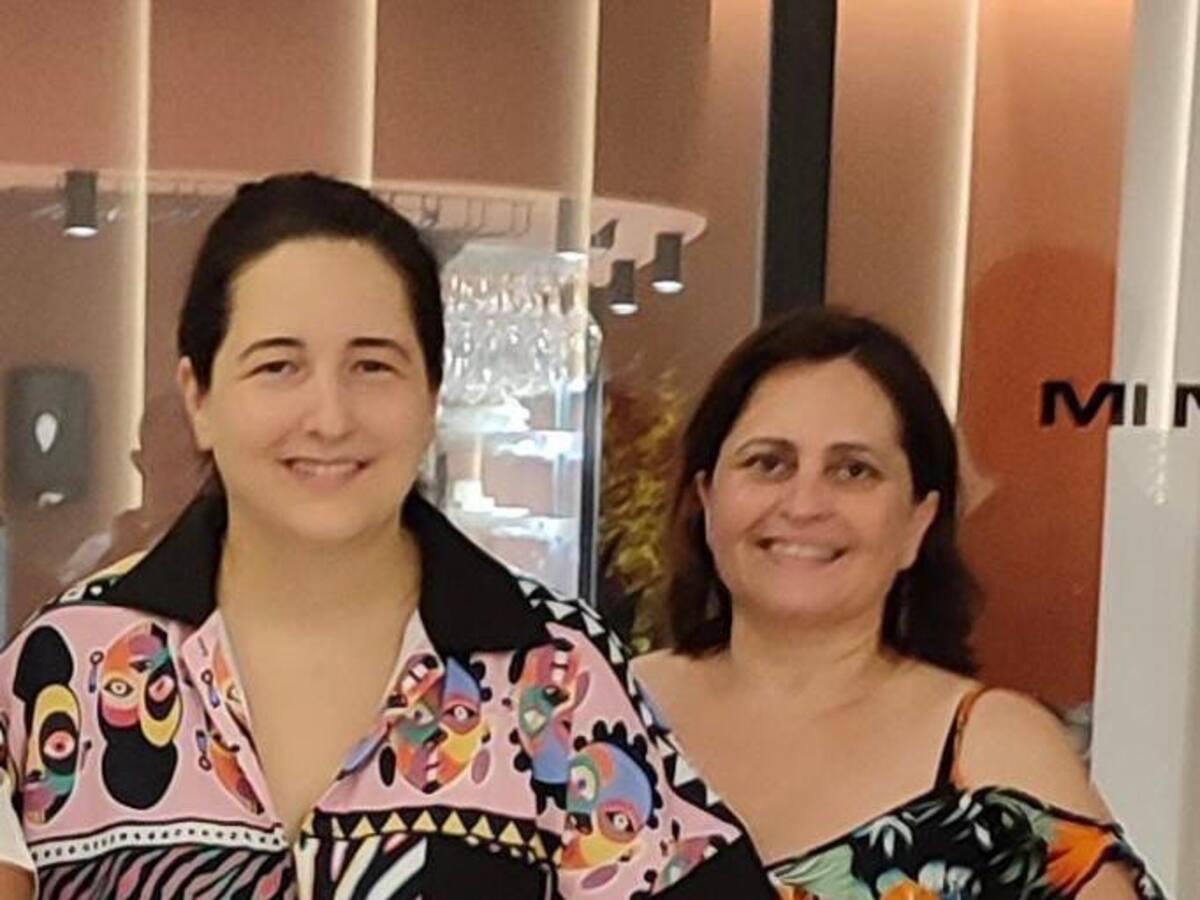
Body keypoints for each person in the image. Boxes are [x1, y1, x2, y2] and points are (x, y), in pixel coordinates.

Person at [0, 173, 775, 899]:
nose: (330, 417)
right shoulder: (62, 669)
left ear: (432, 395)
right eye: (278, 367)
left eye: (373, 366)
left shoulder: (556, 675)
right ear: (198, 398)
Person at [632, 309, 1164, 898]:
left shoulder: (993, 752)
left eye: (853, 470)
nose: (804, 504)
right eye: (769, 463)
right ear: (707, 498)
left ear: (918, 520)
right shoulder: (603, 714)